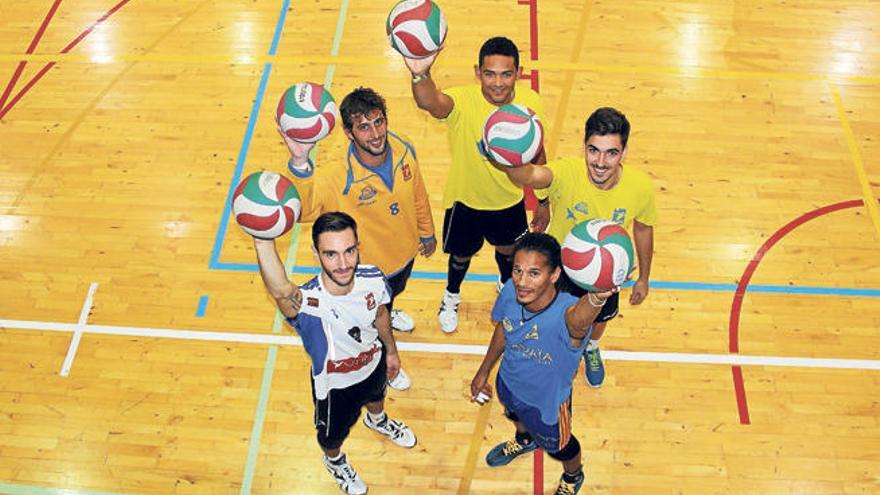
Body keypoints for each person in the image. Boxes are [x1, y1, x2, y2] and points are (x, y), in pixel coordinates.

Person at [253, 212, 417, 495]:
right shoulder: (307, 302)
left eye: (349, 251)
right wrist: (262, 240)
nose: (343, 264)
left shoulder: (373, 278)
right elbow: (281, 291)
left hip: (374, 363)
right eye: (331, 254)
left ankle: (377, 421)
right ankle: (335, 462)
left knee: (377, 397)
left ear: (358, 247)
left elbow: (380, 314)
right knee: (331, 436)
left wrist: (391, 351)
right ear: (315, 254)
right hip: (335, 387)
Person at [282, 87, 435, 389]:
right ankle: (385, 364)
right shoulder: (336, 177)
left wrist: (427, 231)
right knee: (370, 323)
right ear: (348, 133)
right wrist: (299, 162)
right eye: (364, 127)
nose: (375, 134)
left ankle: (389, 311)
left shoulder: (404, 148)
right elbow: (302, 209)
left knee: (390, 300)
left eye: (379, 122)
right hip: (367, 273)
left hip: (404, 255)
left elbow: (418, 193)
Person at [401, 36, 550, 333]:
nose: (497, 83)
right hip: (465, 202)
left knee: (509, 253)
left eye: (506, 74)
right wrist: (420, 72)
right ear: (477, 72)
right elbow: (430, 101)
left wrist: (543, 201)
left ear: (518, 74)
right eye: (489, 73)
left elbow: (537, 151)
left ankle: (506, 287)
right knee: (460, 256)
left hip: (508, 201)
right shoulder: (463, 101)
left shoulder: (530, 101)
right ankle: (451, 296)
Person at [499, 107, 657, 388]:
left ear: (624, 152)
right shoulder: (565, 171)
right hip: (561, 270)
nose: (600, 162)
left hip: (607, 272)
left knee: (601, 316)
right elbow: (531, 177)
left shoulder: (640, 187)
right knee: (551, 319)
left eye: (611, 153)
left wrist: (644, 277)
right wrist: (508, 154)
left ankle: (591, 347)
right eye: (593, 150)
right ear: (583, 146)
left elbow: (643, 229)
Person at [470, 233, 615, 495]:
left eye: (534, 273)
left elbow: (580, 320)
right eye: (517, 270)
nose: (522, 282)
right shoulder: (509, 293)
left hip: (547, 404)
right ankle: (524, 440)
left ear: (555, 275)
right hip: (509, 384)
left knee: (563, 447)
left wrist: (597, 298)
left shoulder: (568, 314)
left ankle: (573, 475)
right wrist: (483, 372)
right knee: (514, 415)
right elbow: (504, 328)